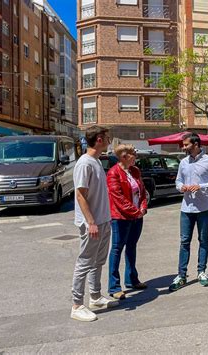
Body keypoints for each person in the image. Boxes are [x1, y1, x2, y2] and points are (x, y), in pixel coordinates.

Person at [71, 126, 118, 322]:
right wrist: (91, 222)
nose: (109, 140)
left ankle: (95, 297)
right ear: (99, 139)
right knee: (84, 263)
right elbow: (80, 194)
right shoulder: (84, 164)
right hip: (92, 223)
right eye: (107, 137)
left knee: (98, 262)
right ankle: (76, 305)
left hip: (103, 221)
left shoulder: (96, 161)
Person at [168, 133, 208, 292]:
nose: (183, 147)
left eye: (186, 144)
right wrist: (181, 187)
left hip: (204, 208)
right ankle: (182, 275)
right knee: (184, 241)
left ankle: (201, 272)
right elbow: (178, 181)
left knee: (203, 239)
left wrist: (202, 186)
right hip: (186, 208)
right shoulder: (183, 162)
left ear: (196, 144)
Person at [107, 144, 148, 300]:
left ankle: (131, 279)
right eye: (133, 154)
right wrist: (135, 211)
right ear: (124, 156)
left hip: (137, 216)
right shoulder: (113, 173)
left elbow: (142, 191)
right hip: (121, 217)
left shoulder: (135, 171)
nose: (136, 156)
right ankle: (114, 286)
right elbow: (118, 198)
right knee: (117, 249)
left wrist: (143, 207)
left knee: (132, 247)